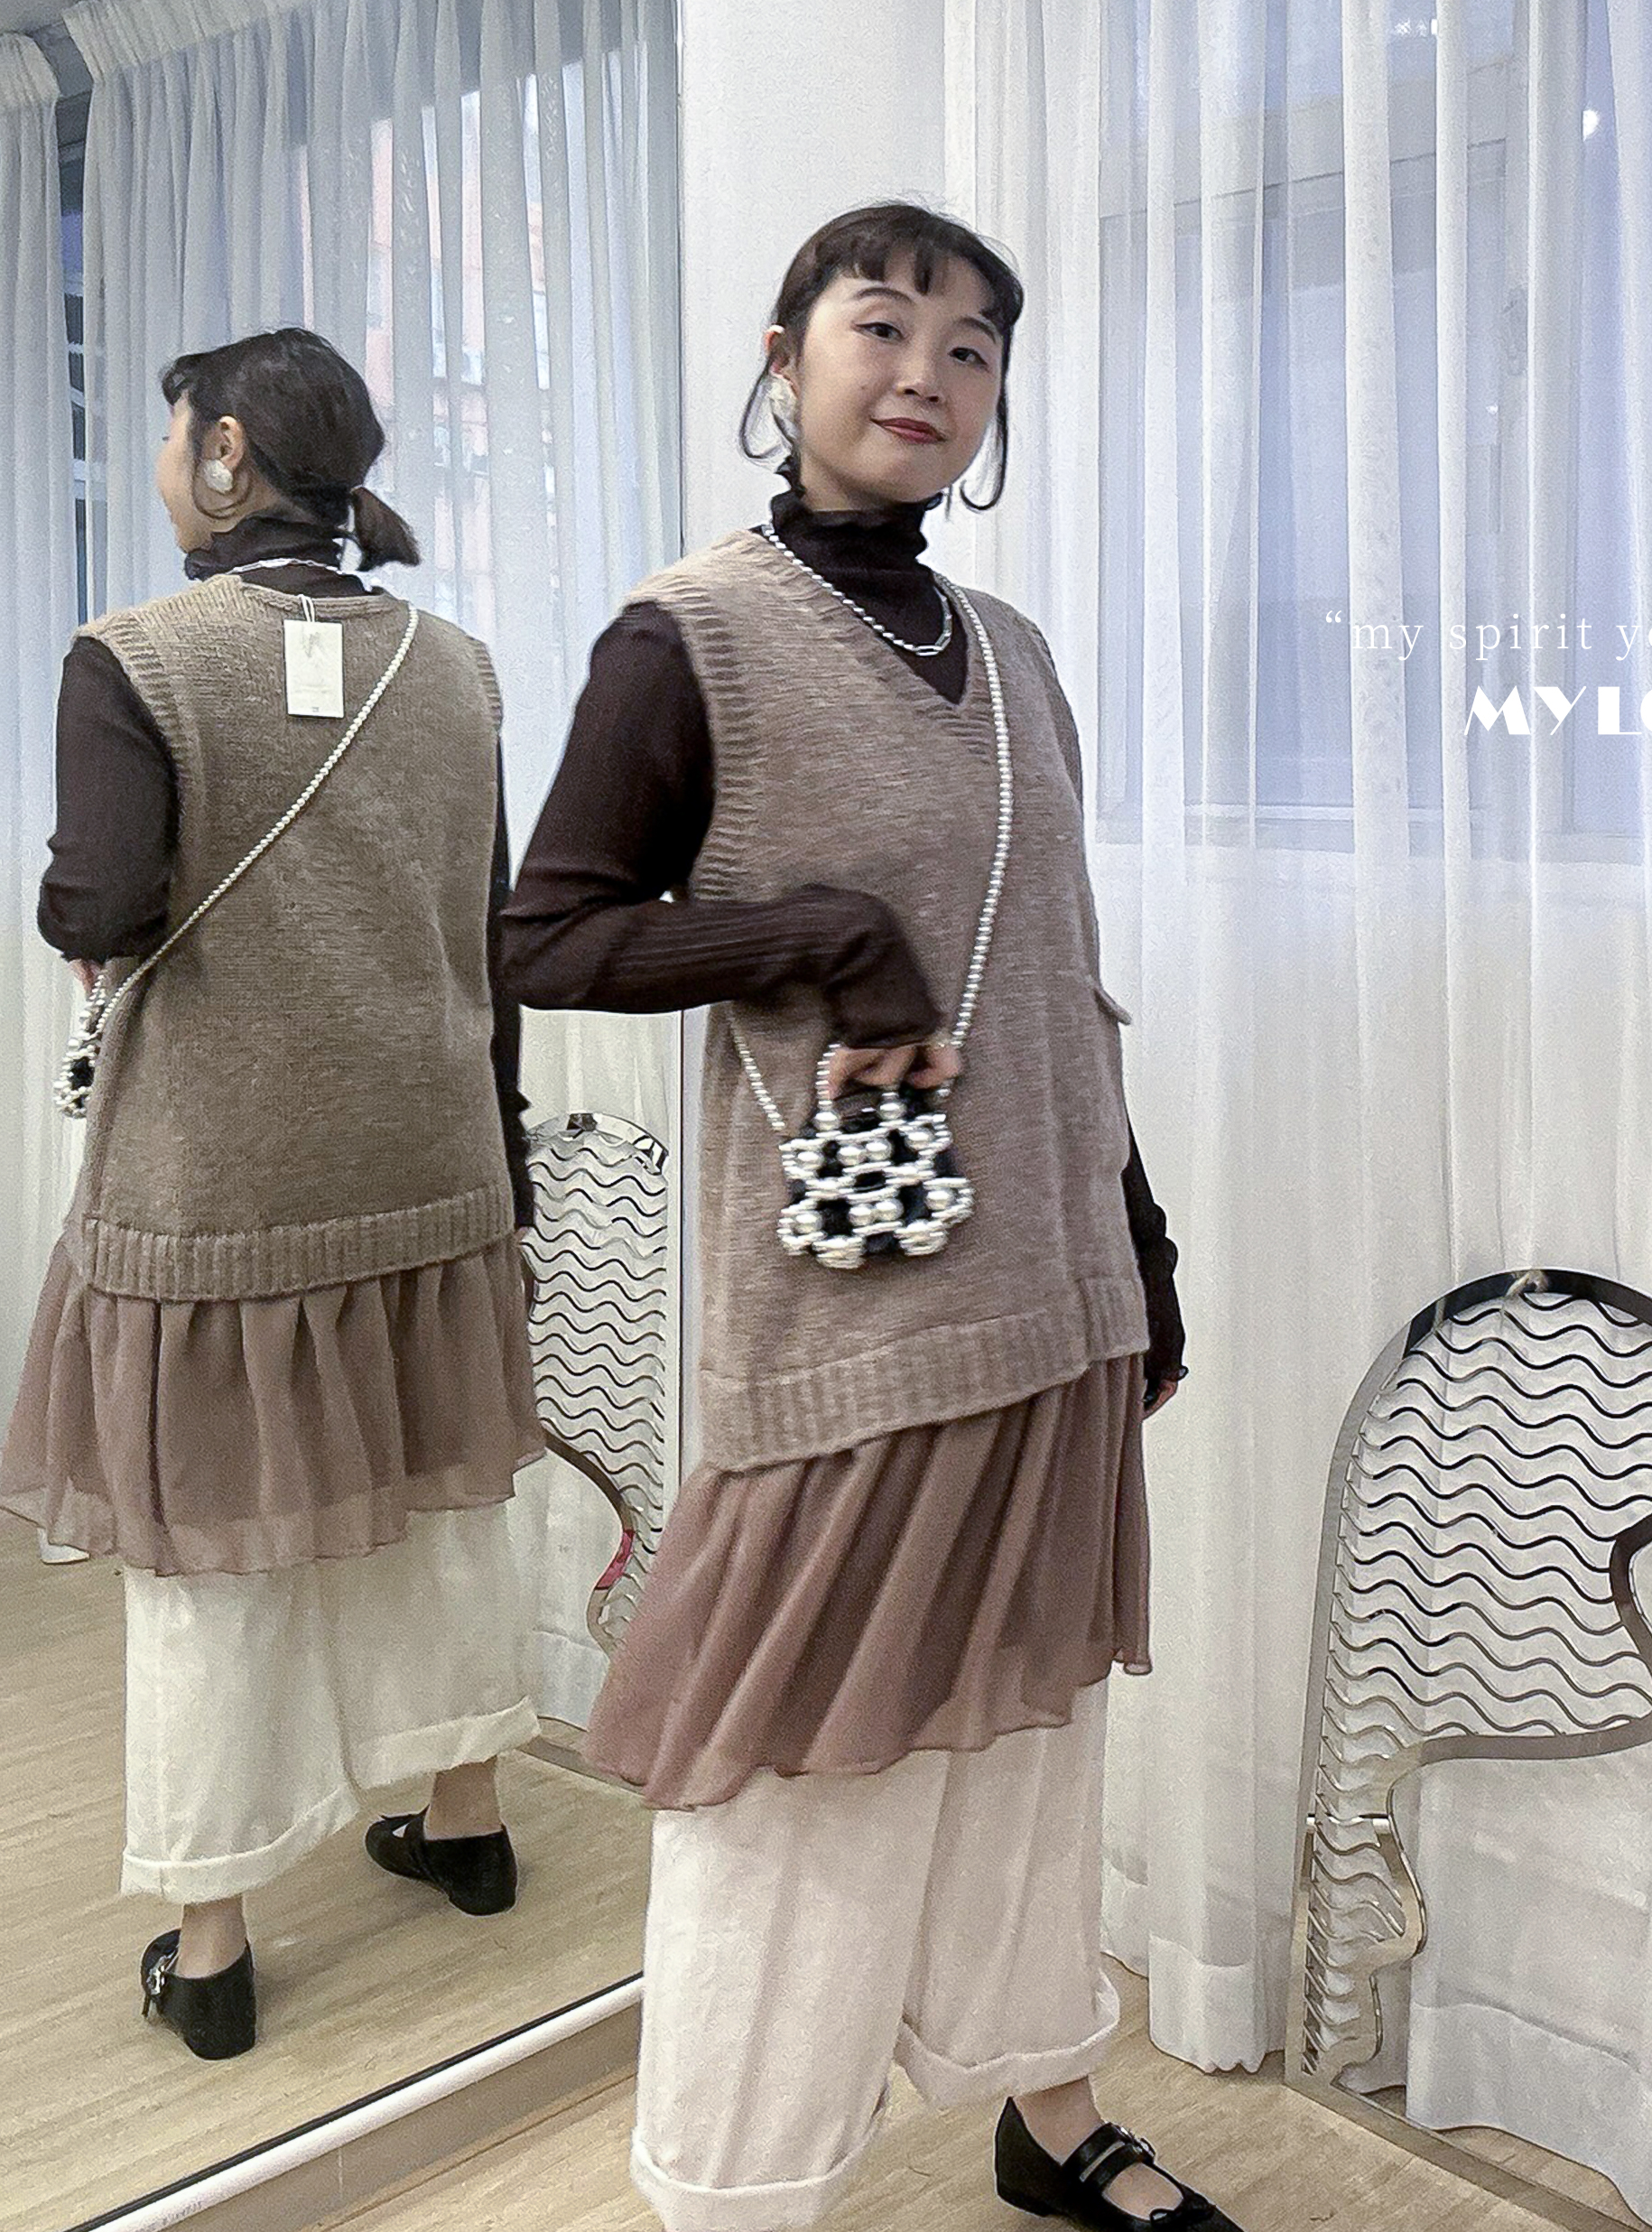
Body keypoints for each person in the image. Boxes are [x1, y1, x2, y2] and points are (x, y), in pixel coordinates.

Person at [501, 203, 1234, 2231]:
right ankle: (734, 2192)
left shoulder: (1016, 655)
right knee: (789, 1777)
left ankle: (1047, 2108)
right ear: (786, 354)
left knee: (1026, 1738)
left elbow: (1057, 971)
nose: (928, 371)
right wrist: (824, 936)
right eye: (884, 322)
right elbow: (545, 934)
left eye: (973, 346)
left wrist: (1140, 1241)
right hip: (849, 1314)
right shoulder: (688, 635)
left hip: (1056, 1286)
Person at [0, 329, 547, 2060]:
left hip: (221, 1179)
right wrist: (503, 1160)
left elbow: (96, 906)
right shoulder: (457, 667)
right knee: (435, 1509)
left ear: (229, 453)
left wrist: (81, 907)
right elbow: (493, 939)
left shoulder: (134, 659)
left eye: (176, 438)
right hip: (432, 1161)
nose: (166, 465)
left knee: (209, 1552)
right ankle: (466, 1822)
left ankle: (217, 1942)